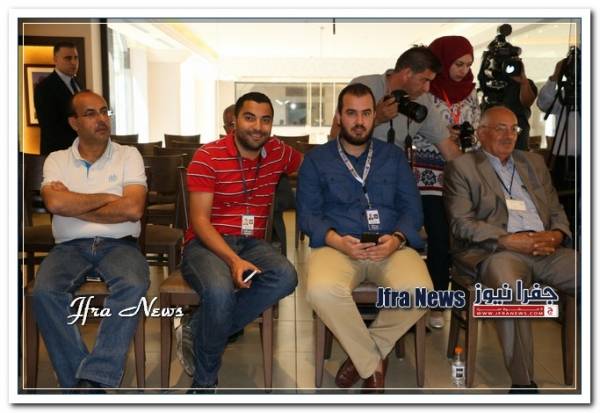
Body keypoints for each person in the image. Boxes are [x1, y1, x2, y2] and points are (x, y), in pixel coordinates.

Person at [298, 83, 432, 393]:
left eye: (366, 113)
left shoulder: (394, 157)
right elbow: (307, 215)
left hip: (390, 245)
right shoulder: (316, 160)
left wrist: (397, 239)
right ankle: (372, 365)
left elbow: (413, 210)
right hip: (337, 246)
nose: (359, 121)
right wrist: (337, 241)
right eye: (351, 113)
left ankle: (361, 357)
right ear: (338, 116)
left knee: (420, 292)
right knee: (321, 291)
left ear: (375, 116)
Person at [444, 106, 575, 393]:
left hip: (545, 247)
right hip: (497, 252)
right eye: (500, 128)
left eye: (513, 129)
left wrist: (556, 235)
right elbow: (461, 224)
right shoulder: (462, 168)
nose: (509, 135)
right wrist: (507, 240)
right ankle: (523, 382)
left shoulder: (533, 163)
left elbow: (556, 210)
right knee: (510, 291)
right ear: (481, 133)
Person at [181, 92, 302, 391]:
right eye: (250, 118)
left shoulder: (277, 152)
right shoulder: (208, 156)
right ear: (234, 121)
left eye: (265, 120)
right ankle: (204, 384)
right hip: (207, 243)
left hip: (251, 243)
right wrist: (233, 260)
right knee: (220, 291)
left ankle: (198, 328)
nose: (258, 127)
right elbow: (199, 221)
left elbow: (314, 166)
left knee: (286, 276)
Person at [31, 90, 149, 389]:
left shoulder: (128, 155)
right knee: (44, 291)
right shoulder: (57, 160)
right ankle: (83, 384)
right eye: (91, 113)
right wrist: (109, 197)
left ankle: (96, 376)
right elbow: (55, 204)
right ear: (74, 123)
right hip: (69, 247)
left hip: (120, 244)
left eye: (104, 111)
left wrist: (73, 203)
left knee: (134, 284)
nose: (102, 119)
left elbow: (133, 209)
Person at [413, 36, 481, 329]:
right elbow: (413, 133)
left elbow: (477, 129)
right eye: (458, 64)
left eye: (467, 64)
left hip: (462, 174)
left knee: (462, 239)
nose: (463, 71)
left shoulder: (471, 92)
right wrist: (441, 137)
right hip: (429, 176)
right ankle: (436, 304)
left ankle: (465, 301)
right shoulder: (426, 90)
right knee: (439, 238)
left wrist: (467, 135)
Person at [329, 45, 461, 162]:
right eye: (424, 80)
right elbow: (335, 138)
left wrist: (470, 173)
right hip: (352, 170)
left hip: (393, 174)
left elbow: (448, 149)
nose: (427, 88)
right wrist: (376, 118)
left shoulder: (423, 100)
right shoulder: (364, 86)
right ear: (407, 73)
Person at [536, 52, 580, 238]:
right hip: (563, 159)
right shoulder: (563, 96)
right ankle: (564, 239)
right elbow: (543, 103)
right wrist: (556, 76)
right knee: (561, 205)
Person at [478, 57, 537, 150]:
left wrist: (524, 82)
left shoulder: (524, 83)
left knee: (518, 158)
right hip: (492, 134)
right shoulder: (489, 82)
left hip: (517, 137)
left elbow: (527, 102)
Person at [34, 41, 82, 155]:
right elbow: (49, 127)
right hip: (58, 152)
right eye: (68, 58)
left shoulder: (77, 83)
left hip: (78, 150)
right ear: (55, 60)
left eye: (76, 58)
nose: (74, 62)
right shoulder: (44, 87)